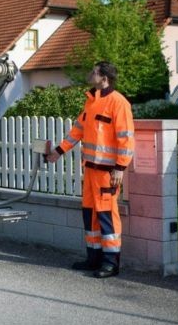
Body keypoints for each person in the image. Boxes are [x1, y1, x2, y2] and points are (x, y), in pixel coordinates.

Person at [47, 61, 134, 278]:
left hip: (107, 172)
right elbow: (77, 131)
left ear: (104, 78)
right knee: (90, 215)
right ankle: (93, 258)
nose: (90, 74)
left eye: (94, 72)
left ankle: (111, 263)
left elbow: (126, 139)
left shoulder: (119, 103)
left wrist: (120, 168)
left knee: (106, 215)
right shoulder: (92, 101)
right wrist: (59, 150)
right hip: (91, 170)